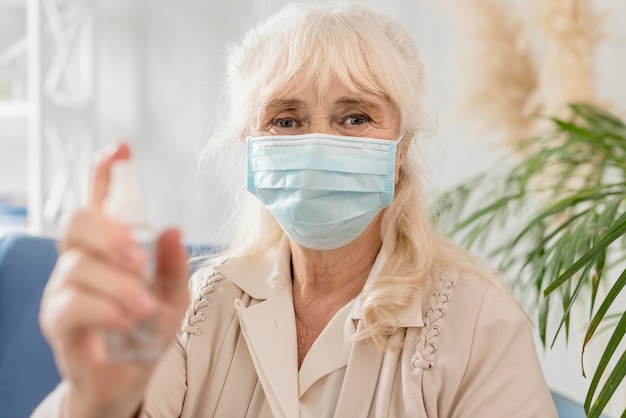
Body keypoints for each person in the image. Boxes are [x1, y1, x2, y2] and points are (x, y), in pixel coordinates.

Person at [33, 3, 558, 417]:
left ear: (401, 149)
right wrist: (95, 403)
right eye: (286, 121)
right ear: (250, 147)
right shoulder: (201, 306)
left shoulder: (477, 323)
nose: (318, 144)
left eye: (355, 117)